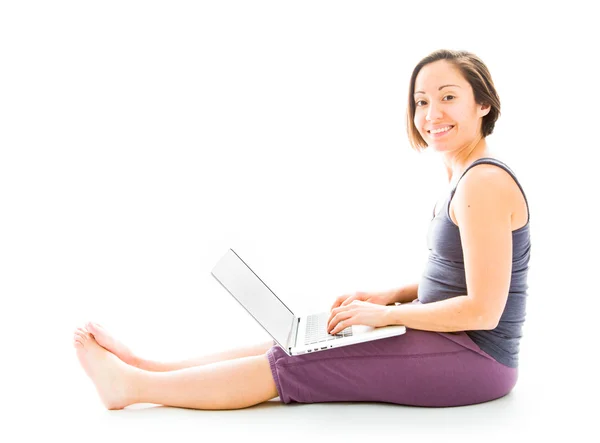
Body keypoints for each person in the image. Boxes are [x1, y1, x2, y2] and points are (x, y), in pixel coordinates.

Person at [73, 49, 531, 410]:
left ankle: (132, 388)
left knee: (293, 361)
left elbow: (483, 312)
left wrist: (389, 317)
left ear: (483, 103)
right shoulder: (464, 178)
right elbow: (464, 276)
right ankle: (148, 367)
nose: (432, 113)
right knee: (293, 339)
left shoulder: (483, 184)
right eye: (422, 101)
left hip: (476, 358)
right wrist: (390, 295)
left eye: (449, 97)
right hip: (452, 342)